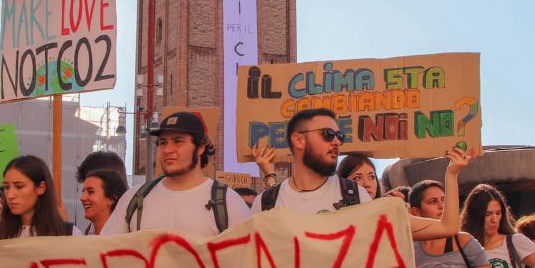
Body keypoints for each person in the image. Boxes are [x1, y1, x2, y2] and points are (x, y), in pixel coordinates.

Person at [103, 111, 249, 237]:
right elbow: (104, 252)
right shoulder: (134, 199)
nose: (168, 150)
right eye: (163, 142)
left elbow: (246, 260)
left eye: (178, 141)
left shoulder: (228, 202)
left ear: (200, 148)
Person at [249, 108, 370, 214]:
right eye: (328, 134)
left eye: (340, 136)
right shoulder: (264, 204)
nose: (337, 142)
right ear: (298, 140)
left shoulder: (356, 196)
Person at [0, 155, 77, 239]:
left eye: (19, 186)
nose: (10, 195)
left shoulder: (69, 233)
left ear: (41, 188)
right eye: (7, 187)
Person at [80, 169, 127, 235]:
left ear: (111, 199)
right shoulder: (87, 234)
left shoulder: (121, 238)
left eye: (90, 192)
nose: (82, 198)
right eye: (83, 192)